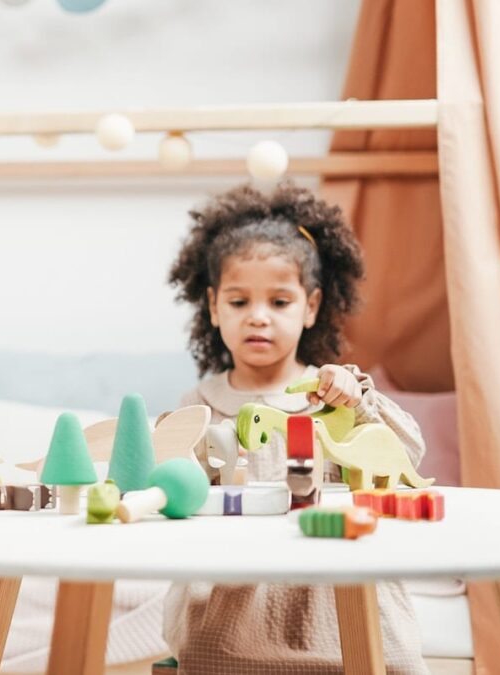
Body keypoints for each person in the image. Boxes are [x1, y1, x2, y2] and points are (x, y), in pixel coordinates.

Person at [164, 182, 428, 674]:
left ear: (310, 307)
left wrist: (360, 400)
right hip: (237, 593)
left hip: (333, 582)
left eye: (279, 302)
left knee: (389, 656)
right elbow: (176, 491)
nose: (258, 318)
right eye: (240, 302)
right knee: (211, 654)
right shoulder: (198, 405)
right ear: (214, 306)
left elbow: (408, 456)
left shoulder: (336, 391)